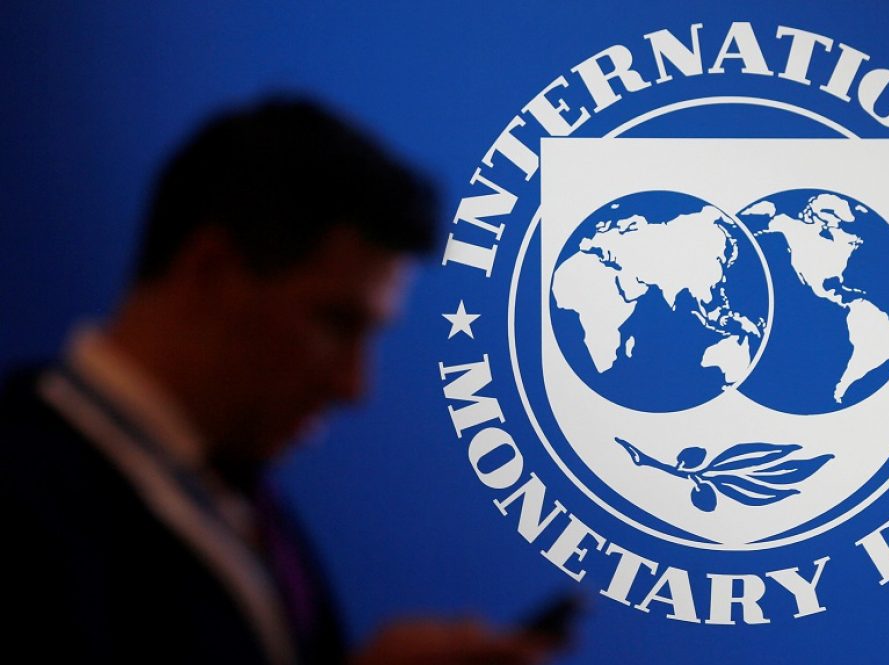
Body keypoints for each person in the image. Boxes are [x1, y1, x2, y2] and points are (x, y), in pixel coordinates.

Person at [0, 96, 553, 664]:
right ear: (210, 272)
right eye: (335, 323)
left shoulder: (231, 485)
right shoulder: (21, 495)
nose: (354, 386)